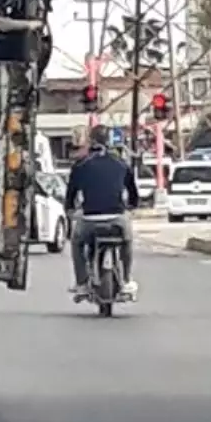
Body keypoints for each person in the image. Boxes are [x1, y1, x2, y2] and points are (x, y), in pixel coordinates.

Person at [64, 128, 139, 302]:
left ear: (90, 141)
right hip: (117, 217)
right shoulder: (121, 163)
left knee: (76, 242)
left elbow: (71, 194)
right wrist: (132, 206)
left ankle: (81, 282)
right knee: (127, 241)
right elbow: (133, 192)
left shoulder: (80, 166)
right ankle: (127, 278)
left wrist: (70, 210)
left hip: (89, 218)